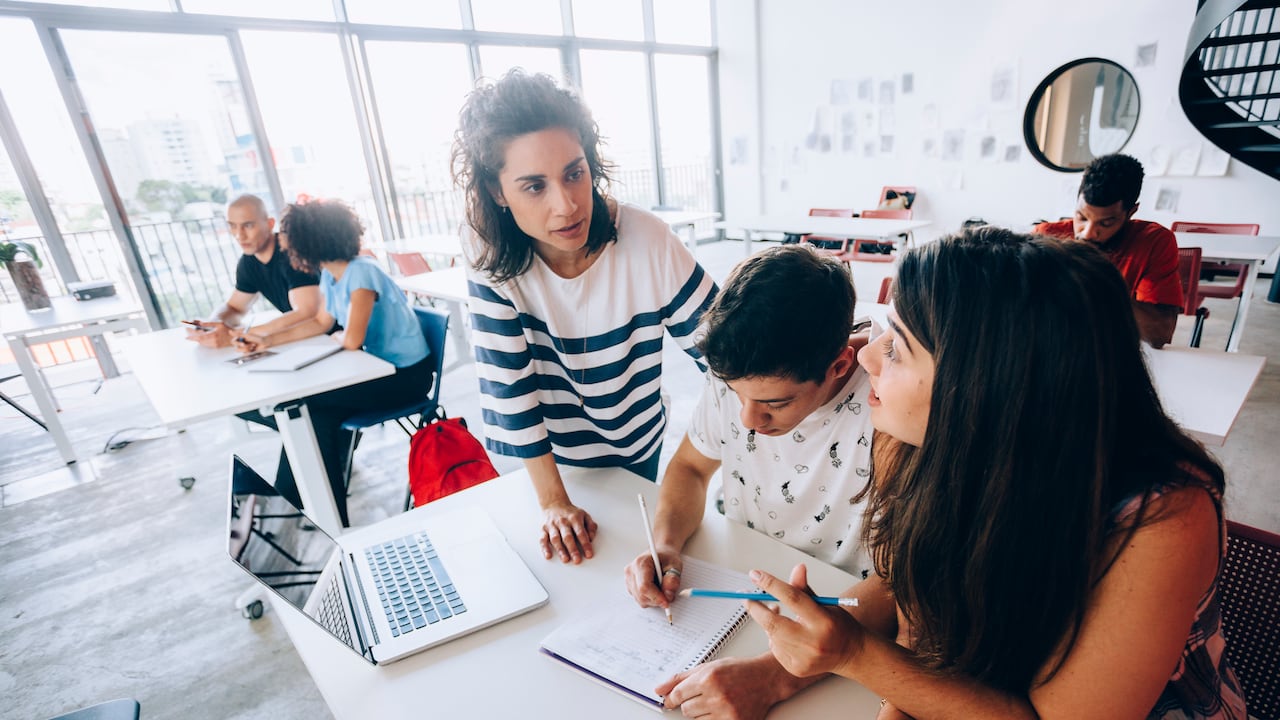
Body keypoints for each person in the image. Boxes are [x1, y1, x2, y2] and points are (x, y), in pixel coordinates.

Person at [744, 227, 1245, 720]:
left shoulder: (1164, 520)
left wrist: (854, 654)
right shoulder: (916, 444)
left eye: (896, 347)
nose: (868, 357)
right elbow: (918, 613)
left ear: (984, 385)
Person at [452, 69, 717, 565]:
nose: (567, 204)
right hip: (552, 461)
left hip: (638, 436)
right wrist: (553, 501)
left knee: (635, 555)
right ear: (496, 191)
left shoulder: (646, 239)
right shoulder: (486, 254)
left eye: (575, 173)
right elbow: (512, 390)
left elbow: (725, 353)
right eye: (534, 187)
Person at [622, 244, 878, 718]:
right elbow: (690, 468)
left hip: (845, 615)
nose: (747, 418)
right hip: (738, 589)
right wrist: (667, 544)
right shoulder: (739, 372)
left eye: (775, 404)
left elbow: (904, 586)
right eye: (734, 393)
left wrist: (776, 676)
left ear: (839, 366)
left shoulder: (890, 404)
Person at [236, 199, 432, 527]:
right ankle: (326, 515)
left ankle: (293, 503)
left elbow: (351, 339)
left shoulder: (362, 271)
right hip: (375, 369)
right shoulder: (330, 274)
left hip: (406, 377)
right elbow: (322, 324)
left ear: (310, 240)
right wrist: (266, 341)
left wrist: (334, 341)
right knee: (316, 416)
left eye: (288, 234)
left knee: (303, 408)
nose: (283, 241)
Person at [1035, 153, 1183, 348]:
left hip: (1110, 353)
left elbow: (1159, 333)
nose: (1088, 233)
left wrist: (1095, 282)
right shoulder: (1048, 236)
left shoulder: (1153, 242)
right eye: (1081, 217)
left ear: (1131, 212)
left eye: (1105, 223)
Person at [185, 194, 321, 348]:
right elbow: (234, 307)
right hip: (302, 341)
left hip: (329, 339)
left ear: (270, 224)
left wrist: (239, 335)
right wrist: (213, 325)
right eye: (232, 226)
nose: (239, 235)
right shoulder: (248, 263)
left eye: (248, 225)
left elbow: (307, 312)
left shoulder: (291, 253)